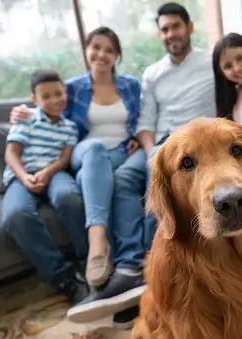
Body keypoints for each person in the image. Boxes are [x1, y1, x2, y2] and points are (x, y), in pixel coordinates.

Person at [66, 2, 216, 323]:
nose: (171, 34)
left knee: (156, 186)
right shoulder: (153, 73)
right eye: (164, 29)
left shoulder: (211, 62)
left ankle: (151, 268)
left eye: (176, 26)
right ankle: (129, 266)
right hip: (159, 145)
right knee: (122, 178)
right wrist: (151, 152)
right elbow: (146, 123)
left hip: (195, 147)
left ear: (189, 28)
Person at [8, 27, 145, 325]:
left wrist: (136, 137)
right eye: (95, 47)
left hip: (121, 152)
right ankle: (97, 244)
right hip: (85, 152)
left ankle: (116, 278)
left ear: (117, 55)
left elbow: (142, 118)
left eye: (109, 49)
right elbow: (42, 107)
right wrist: (21, 111)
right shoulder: (72, 88)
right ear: (86, 50)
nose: (101, 54)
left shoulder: (132, 86)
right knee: (94, 151)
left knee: (102, 183)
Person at [2, 69, 88, 304]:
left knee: (69, 196)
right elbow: (11, 153)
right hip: (22, 176)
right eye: (46, 96)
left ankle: (89, 261)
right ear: (35, 100)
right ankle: (64, 278)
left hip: (55, 172)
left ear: (66, 93)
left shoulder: (70, 127)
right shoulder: (26, 118)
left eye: (58, 94)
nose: (54, 101)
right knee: (15, 215)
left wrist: (48, 172)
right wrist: (24, 177)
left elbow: (65, 158)